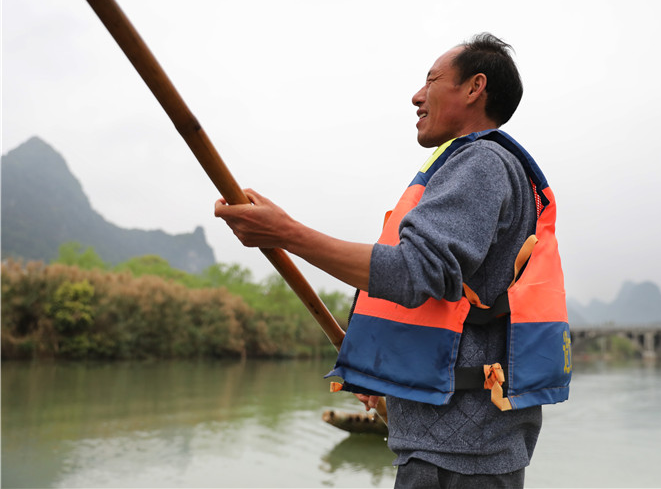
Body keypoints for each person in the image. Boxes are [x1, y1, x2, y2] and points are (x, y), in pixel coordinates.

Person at [214, 33, 570, 488]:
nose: (417, 96)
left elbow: (415, 271)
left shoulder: (480, 162)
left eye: (431, 81)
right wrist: (389, 378)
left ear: (474, 88)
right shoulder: (477, 165)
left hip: (457, 456)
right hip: (458, 446)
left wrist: (286, 233)